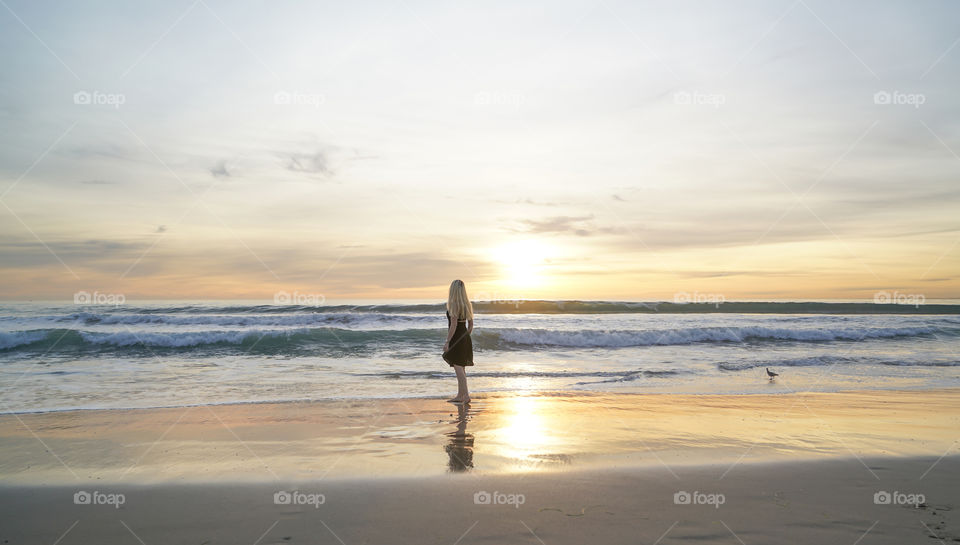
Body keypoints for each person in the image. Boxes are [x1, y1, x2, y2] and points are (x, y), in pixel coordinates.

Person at [442, 279, 474, 403]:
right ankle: (461, 395)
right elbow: (470, 326)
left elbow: (453, 325)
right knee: (461, 367)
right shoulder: (467, 304)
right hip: (465, 337)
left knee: (458, 367)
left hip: (457, 338)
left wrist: (447, 341)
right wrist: (465, 337)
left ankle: (465, 396)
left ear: (453, 290)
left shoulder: (454, 304)